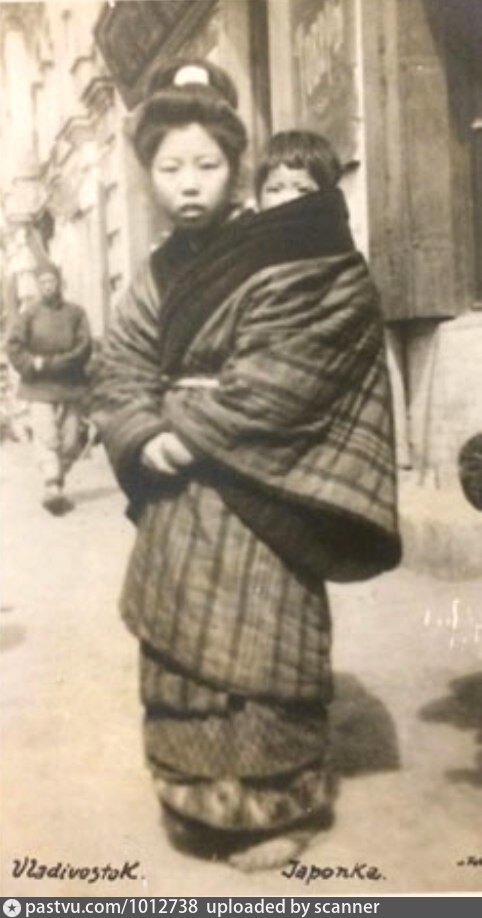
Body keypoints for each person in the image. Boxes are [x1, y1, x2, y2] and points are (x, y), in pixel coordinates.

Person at [92, 60, 401, 871]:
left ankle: (279, 811)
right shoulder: (156, 272)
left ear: (236, 165)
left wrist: (190, 426)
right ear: (148, 174)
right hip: (179, 499)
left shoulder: (286, 247)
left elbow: (295, 361)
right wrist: (138, 430)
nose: (189, 183)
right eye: (170, 167)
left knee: (264, 641)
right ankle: (198, 798)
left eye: (207, 164)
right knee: (183, 642)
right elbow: (121, 366)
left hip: (263, 489)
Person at [7, 263, 92, 514]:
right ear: (37, 285)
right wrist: (31, 363)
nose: (47, 286)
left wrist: (56, 363)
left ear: (59, 283)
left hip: (70, 383)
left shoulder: (76, 313)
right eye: (43, 282)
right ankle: (52, 485)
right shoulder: (29, 315)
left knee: (70, 441)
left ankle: (57, 478)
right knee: (47, 436)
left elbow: (84, 346)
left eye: (51, 281)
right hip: (39, 385)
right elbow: (14, 346)